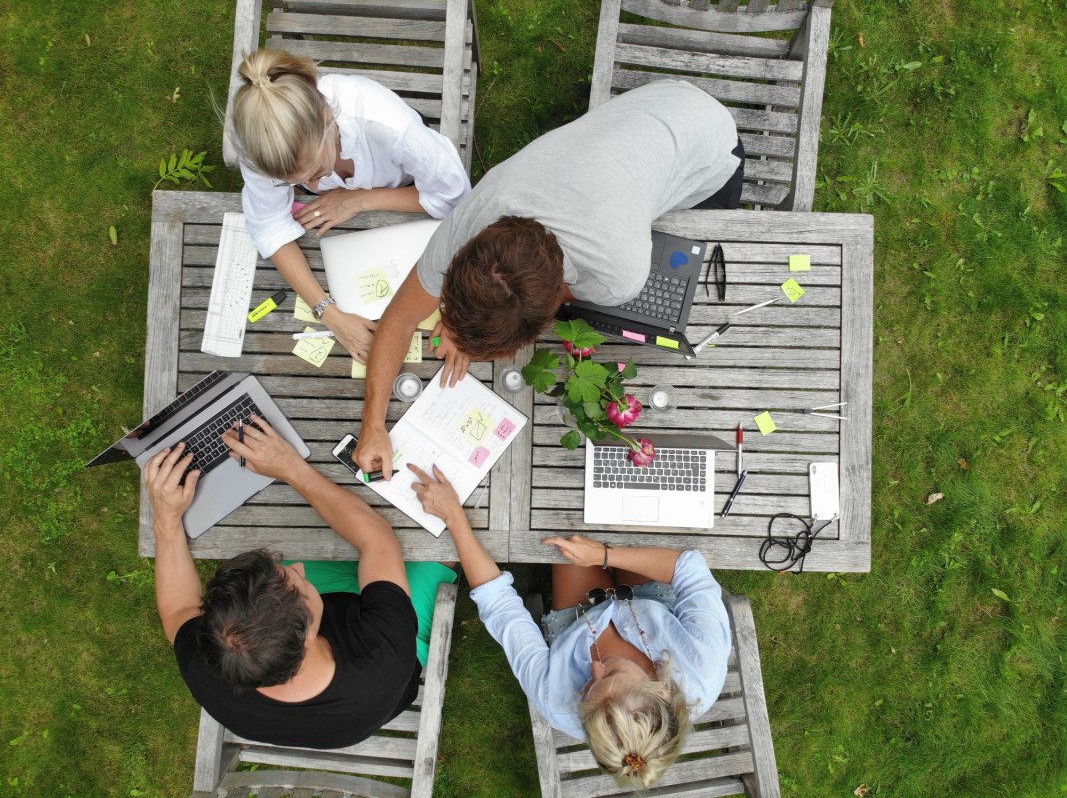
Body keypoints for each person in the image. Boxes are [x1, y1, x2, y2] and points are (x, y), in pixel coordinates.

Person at [354, 79, 743, 478]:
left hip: (711, 147)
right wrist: (373, 425)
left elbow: (545, 301)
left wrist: (474, 328)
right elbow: (399, 318)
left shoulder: (618, 273)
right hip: (652, 110)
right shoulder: (469, 223)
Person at [406, 462, 732, 790]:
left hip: (578, 619)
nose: (594, 666)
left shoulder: (558, 701)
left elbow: (500, 606)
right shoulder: (703, 663)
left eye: (587, 690)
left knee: (558, 510)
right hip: (654, 599)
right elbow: (689, 567)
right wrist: (604, 555)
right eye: (613, 674)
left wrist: (454, 518)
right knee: (627, 498)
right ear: (662, 688)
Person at [144, 415, 457, 749]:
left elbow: (178, 608)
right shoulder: (384, 654)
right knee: (438, 537)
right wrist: (291, 468)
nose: (300, 570)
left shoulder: (211, 661)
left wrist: (167, 517)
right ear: (309, 636)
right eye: (299, 585)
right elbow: (378, 541)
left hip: (330, 661)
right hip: (383, 653)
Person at [231, 48, 471, 362]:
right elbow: (269, 226)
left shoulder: (392, 128)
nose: (315, 188)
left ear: (328, 121)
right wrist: (330, 315)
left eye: (317, 172)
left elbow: (454, 197)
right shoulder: (261, 147)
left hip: (402, 187)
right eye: (296, 183)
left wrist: (358, 200)